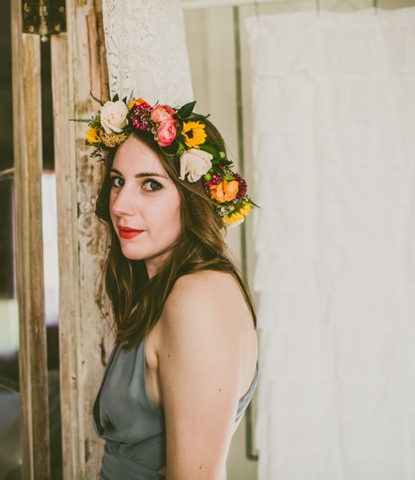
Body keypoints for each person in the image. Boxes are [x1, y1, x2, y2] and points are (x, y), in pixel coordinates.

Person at [83, 96, 259, 479]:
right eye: (118, 181)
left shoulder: (198, 299)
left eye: (150, 184)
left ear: (194, 196)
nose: (120, 205)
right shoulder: (164, 291)